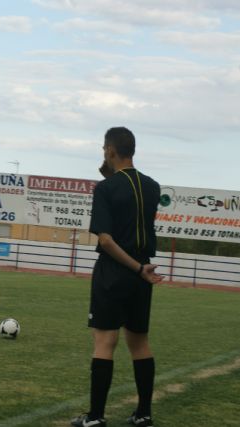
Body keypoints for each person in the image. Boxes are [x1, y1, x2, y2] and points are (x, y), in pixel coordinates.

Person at [71, 127, 163, 427]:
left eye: (104, 150)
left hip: (115, 271)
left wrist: (133, 267)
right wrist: (140, 268)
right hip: (143, 272)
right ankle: (144, 413)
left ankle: (95, 417)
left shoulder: (106, 188)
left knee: (104, 343)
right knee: (140, 343)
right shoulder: (152, 187)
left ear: (110, 150)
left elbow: (107, 240)